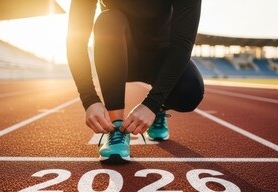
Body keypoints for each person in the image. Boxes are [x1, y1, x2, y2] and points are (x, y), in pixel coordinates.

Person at [67, 0, 204, 162]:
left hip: (161, 57)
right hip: (117, 54)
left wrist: (152, 105)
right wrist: (89, 99)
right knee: (108, 19)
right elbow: (76, 40)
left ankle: (159, 109)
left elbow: (182, 44)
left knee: (190, 90)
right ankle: (116, 126)